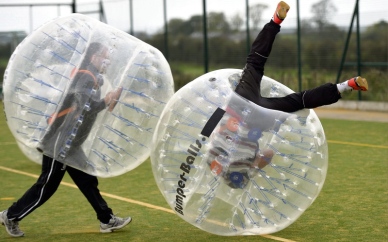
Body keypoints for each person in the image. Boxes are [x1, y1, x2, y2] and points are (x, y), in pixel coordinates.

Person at [207, 1, 369, 188]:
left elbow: (268, 154)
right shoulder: (212, 155)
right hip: (239, 105)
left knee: (298, 101)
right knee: (254, 63)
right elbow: (215, 124)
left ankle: (347, 85)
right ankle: (276, 21)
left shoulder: (246, 169)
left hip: (260, 119)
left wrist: (254, 162)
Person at [0, 42, 130, 237]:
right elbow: (86, 106)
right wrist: (106, 100)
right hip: (60, 143)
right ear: (94, 56)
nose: (108, 60)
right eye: (104, 56)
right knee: (47, 186)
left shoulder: (91, 78)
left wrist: (107, 99)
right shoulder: (85, 77)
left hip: (71, 144)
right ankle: (10, 215)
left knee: (88, 180)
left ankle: (106, 219)